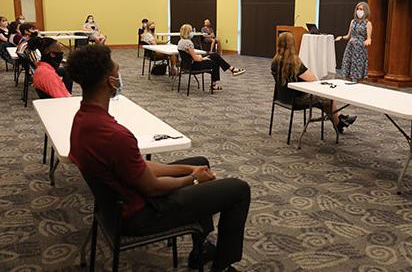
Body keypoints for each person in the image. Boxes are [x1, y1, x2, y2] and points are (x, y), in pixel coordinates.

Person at [66, 44, 250, 272]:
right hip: (141, 214)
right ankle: (222, 267)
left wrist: (189, 170)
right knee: (239, 190)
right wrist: (193, 180)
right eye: (117, 71)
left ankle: (200, 248)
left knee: (199, 163)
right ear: (110, 82)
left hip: (116, 204)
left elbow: (137, 165)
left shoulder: (82, 120)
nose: (120, 75)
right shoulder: (114, 135)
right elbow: (152, 187)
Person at [272, 32, 357, 133]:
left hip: (282, 97)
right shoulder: (294, 63)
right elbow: (313, 79)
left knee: (324, 102)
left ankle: (340, 121)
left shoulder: (275, 61)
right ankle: (339, 121)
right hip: (297, 99)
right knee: (328, 99)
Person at [178, 24, 245, 91]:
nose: (192, 33)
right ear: (187, 32)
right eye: (191, 31)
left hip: (186, 65)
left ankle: (231, 69)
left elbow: (190, 56)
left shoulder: (180, 42)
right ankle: (215, 84)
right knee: (215, 62)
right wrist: (202, 57)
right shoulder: (188, 43)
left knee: (214, 55)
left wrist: (201, 57)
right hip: (194, 66)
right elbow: (196, 58)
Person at [335, 2, 372, 83]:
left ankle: (357, 86)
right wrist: (341, 37)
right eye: (358, 9)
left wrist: (368, 41)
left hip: (360, 49)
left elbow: (369, 38)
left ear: (365, 11)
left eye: (361, 9)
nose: (359, 11)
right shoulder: (353, 22)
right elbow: (348, 36)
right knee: (348, 68)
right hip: (350, 47)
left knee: (358, 69)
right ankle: (349, 85)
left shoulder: (368, 23)